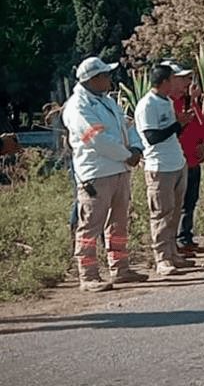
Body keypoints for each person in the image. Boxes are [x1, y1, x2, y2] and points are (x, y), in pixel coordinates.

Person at [62, 56, 149, 292]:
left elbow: (128, 126)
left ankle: (120, 269)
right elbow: (97, 139)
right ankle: (88, 275)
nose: (109, 79)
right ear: (93, 79)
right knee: (90, 226)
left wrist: (136, 148)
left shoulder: (107, 101)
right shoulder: (78, 107)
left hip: (119, 170)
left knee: (118, 224)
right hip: (96, 173)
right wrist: (126, 154)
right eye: (105, 75)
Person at [134, 63, 194, 276]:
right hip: (159, 167)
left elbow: (171, 134)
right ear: (164, 81)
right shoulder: (147, 105)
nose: (176, 84)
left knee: (175, 212)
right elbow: (152, 137)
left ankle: (173, 253)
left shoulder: (167, 101)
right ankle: (162, 259)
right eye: (173, 79)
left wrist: (182, 124)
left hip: (176, 162)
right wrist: (177, 125)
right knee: (161, 214)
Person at [171, 74, 204, 255]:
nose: (190, 84)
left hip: (195, 160)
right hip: (181, 161)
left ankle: (186, 237)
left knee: (190, 201)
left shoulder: (192, 104)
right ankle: (177, 241)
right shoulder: (173, 104)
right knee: (179, 204)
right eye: (185, 80)